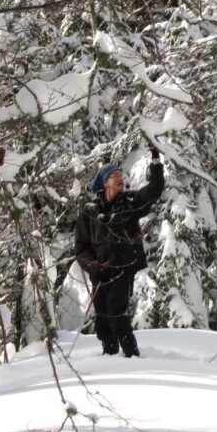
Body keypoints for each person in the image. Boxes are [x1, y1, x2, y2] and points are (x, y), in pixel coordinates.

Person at [74, 148, 165, 357]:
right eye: (115, 176)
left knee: (117, 314)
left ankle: (132, 356)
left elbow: (154, 190)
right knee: (103, 320)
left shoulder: (130, 203)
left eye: (121, 176)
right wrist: (94, 267)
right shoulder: (89, 212)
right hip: (100, 274)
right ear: (105, 182)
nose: (120, 180)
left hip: (122, 270)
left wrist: (156, 162)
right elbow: (81, 248)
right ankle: (110, 356)